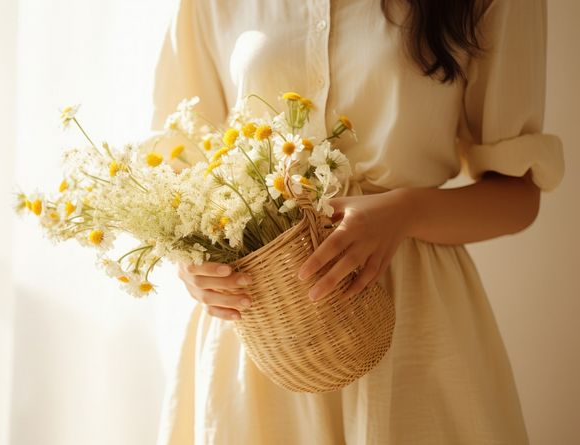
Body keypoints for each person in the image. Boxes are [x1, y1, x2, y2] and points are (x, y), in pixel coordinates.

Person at [151, 0, 564, 443]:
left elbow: (518, 196)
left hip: (413, 315)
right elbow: (175, 171)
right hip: (261, 320)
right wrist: (191, 267)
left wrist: (406, 211)